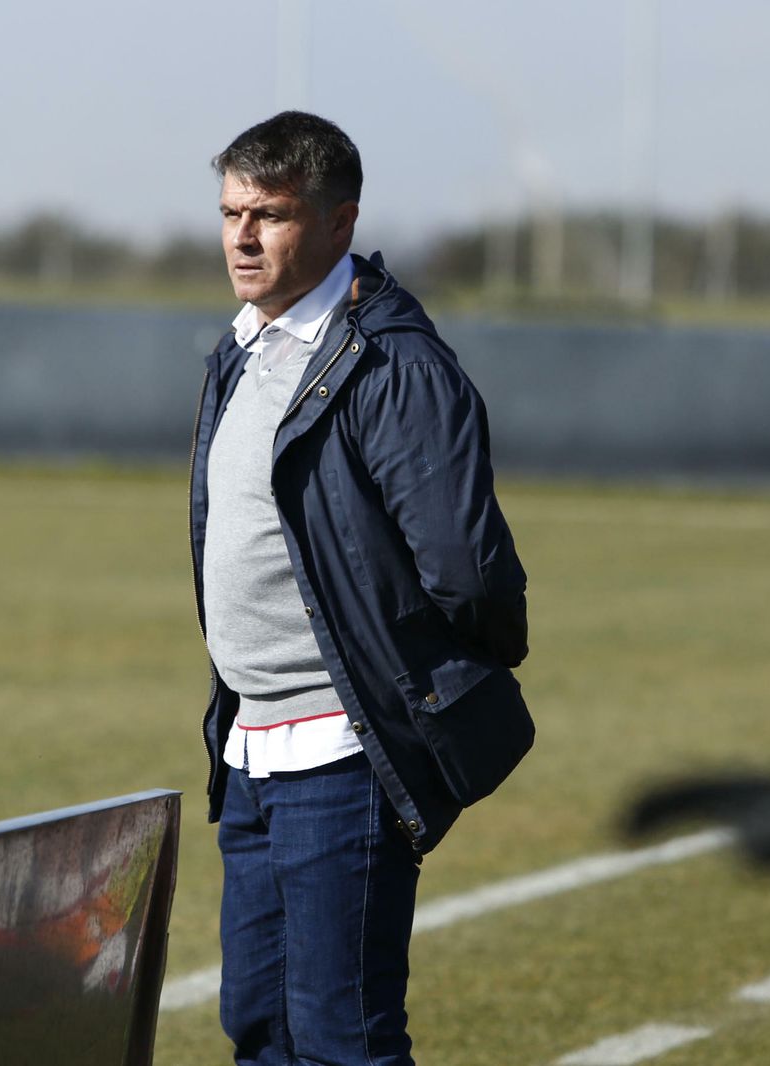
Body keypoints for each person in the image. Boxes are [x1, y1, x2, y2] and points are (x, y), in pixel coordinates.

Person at [189, 111, 535, 1066]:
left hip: (347, 751)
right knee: (260, 1029)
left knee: (346, 1040)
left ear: (340, 224)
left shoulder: (394, 367)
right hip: (253, 748)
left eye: (270, 213)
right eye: (230, 212)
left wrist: (422, 692)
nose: (242, 237)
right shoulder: (242, 348)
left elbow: (468, 574)